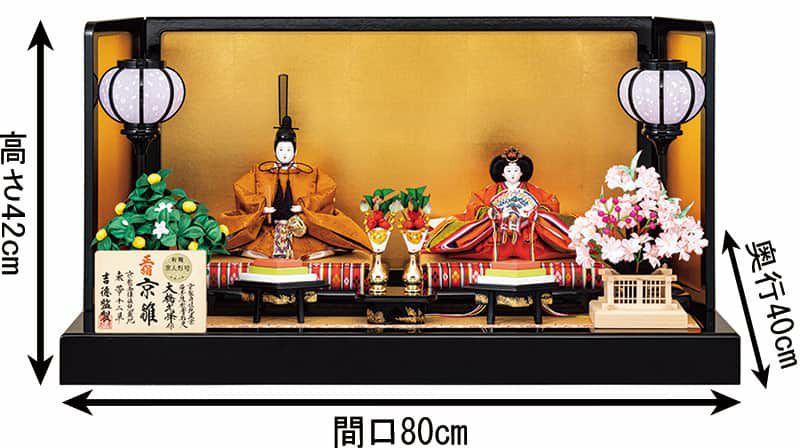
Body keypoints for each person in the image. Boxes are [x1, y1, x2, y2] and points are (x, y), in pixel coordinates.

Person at [219, 75, 369, 260]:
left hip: (299, 228)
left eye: (289, 149)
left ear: (295, 151)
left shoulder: (310, 174)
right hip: (267, 228)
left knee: (315, 248)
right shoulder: (260, 172)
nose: (284, 153)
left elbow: (328, 190)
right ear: (274, 150)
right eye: (281, 149)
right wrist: (261, 207)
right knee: (253, 249)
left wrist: (304, 207)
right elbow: (241, 190)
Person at [426, 147, 574, 260]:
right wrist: (491, 213)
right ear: (502, 173)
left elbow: (551, 202)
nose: (512, 174)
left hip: (527, 234)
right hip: (496, 233)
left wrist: (534, 214)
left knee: (557, 230)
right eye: (508, 170)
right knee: (465, 230)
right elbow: (475, 204)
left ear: (522, 172)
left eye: (516, 170)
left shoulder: (534, 190)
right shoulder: (489, 191)